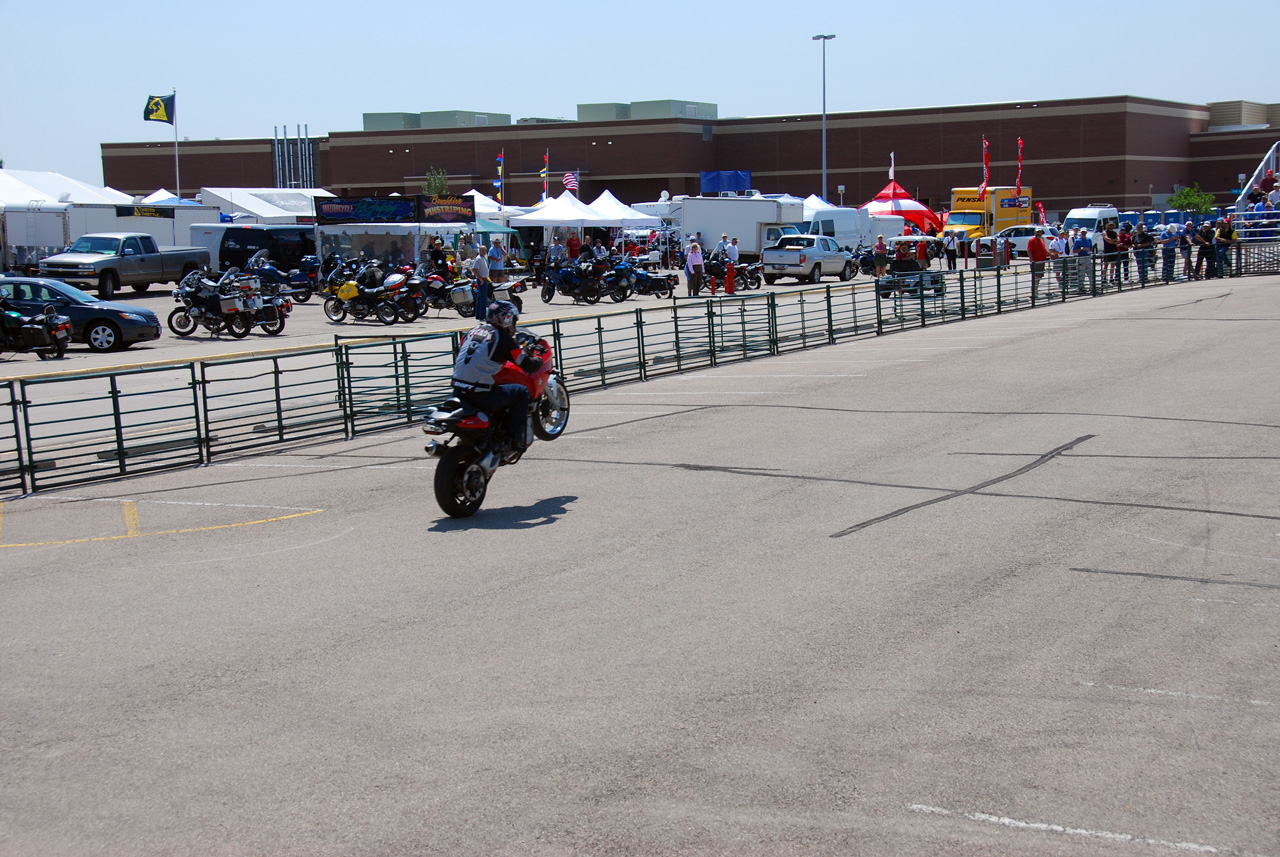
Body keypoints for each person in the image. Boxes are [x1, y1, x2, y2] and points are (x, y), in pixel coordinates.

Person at [450, 300, 541, 456]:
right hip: (480, 395)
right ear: (505, 319)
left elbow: (458, 351)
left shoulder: (473, 331)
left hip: (457, 390)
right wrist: (538, 356)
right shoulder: (503, 339)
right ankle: (513, 439)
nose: (514, 324)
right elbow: (527, 365)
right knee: (521, 393)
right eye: (513, 320)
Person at [1026, 228, 1049, 296]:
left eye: (1040, 232)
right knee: (1036, 277)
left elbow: (1044, 250)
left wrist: (1050, 254)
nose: (1039, 233)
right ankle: (1034, 292)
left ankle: (1036, 291)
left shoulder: (1041, 240)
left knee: (1039, 277)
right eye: (1037, 232)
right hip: (1036, 262)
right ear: (1034, 233)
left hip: (1042, 262)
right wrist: (1032, 261)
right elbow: (1029, 251)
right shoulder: (1032, 240)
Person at [472, 244, 490, 318]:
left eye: (485, 250)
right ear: (479, 251)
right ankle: (482, 315)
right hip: (481, 280)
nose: (484, 252)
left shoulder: (484, 258)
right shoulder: (478, 259)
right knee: (483, 298)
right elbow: (474, 269)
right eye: (482, 250)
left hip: (485, 279)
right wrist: (480, 279)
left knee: (480, 298)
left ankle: (478, 315)